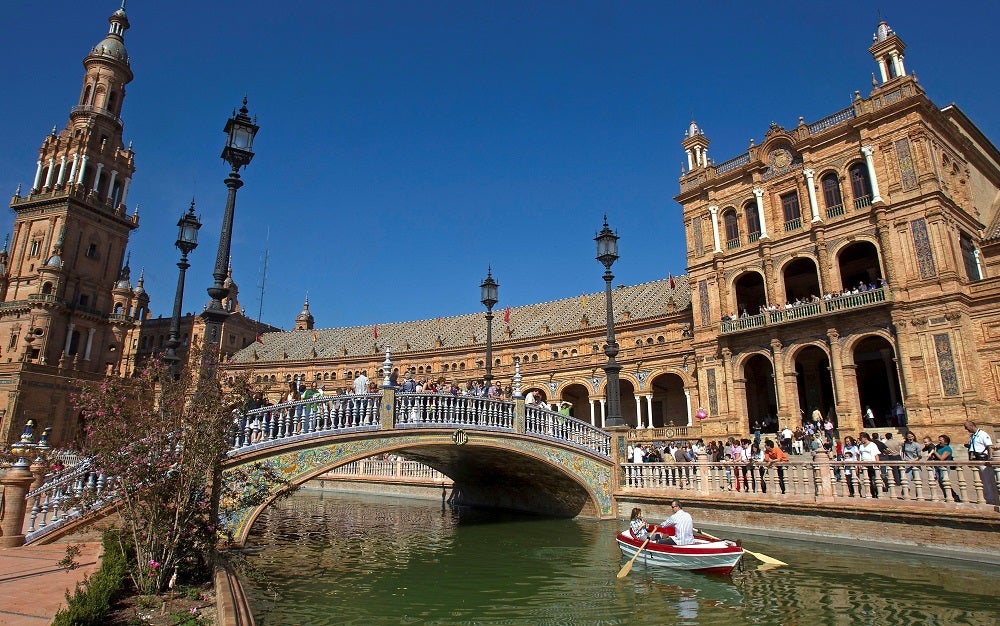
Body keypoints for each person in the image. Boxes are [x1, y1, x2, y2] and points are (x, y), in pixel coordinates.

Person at [964, 421, 996, 505]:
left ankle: (991, 499)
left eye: (966, 427)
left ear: (971, 426)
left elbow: (989, 447)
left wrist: (990, 459)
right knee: (982, 481)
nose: (966, 429)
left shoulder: (982, 434)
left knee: (987, 480)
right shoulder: (972, 436)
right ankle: (987, 498)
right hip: (976, 460)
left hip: (983, 459)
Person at [927, 434, 961, 502]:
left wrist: (935, 452)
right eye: (939, 439)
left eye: (941, 440)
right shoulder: (937, 447)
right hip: (937, 466)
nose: (939, 441)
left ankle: (954, 496)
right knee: (940, 482)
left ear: (945, 441)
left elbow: (942, 458)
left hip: (944, 467)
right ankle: (947, 496)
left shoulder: (947, 448)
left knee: (944, 481)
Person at [857, 432, 881, 498]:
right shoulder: (861, 445)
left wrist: (877, 463)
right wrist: (859, 463)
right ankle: (871, 494)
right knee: (867, 480)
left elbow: (876, 454)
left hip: (872, 463)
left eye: (861, 438)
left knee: (874, 480)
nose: (860, 440)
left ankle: (877, 493)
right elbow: (860, 455)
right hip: (864, 464)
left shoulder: (872, 444)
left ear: (865, 438)